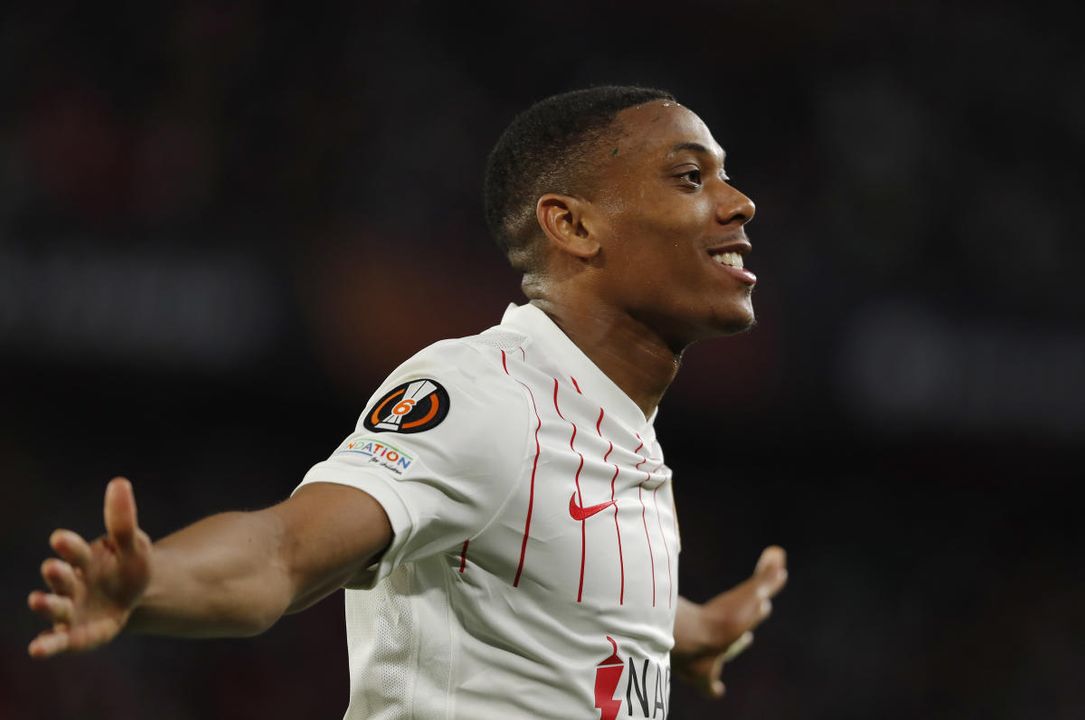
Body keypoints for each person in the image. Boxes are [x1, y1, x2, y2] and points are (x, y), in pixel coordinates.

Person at [27, 86, 788, 719]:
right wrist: (154, 583)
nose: (740, 202)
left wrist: (687, 630)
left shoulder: (616, 428)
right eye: (690, 177)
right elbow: (285, 550)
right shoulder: (487, 395)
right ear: (574, 225)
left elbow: (562, 581)